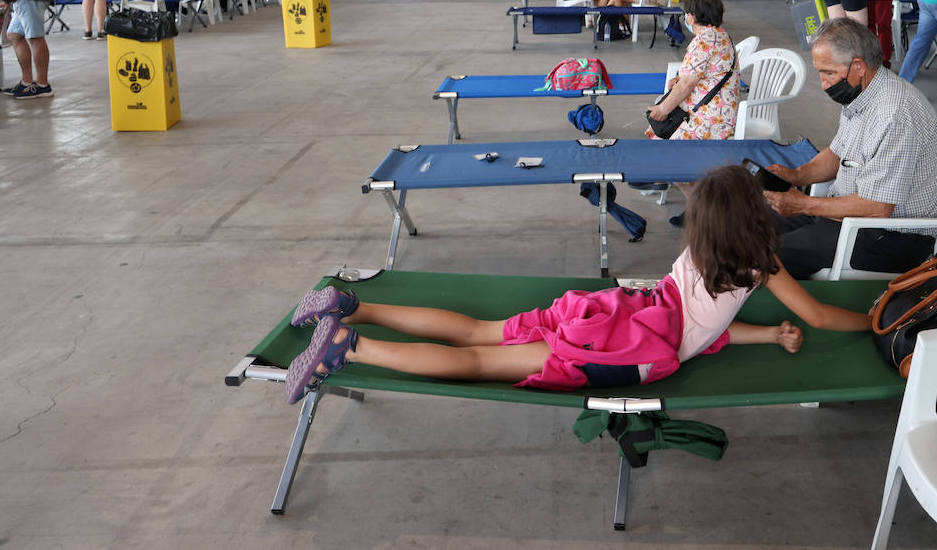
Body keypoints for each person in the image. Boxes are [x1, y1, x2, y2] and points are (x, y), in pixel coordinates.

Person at [281, 164, 868, 404]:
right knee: (483, 363)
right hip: (629, 345)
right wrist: (868, 320)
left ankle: (352, 306)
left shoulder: (705, 248)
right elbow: (818, 316)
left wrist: (766, 339)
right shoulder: (762, 260)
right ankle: (348, 346)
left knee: (480, 332)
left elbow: (702, 322)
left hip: (618, 310)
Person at [761, 19, 937, 279]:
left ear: (858, 66)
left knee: (764, 255)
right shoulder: (862, 94)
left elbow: (878, 208)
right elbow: (838, 153)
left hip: (892, 238)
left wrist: (804, 204)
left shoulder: (895, 114)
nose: (823, 84)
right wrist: (797, 176)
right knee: (749, 226)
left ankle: (801, 316)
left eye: (828, 73)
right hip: (848, 218)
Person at [646, 0, 739, 142]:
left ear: (692, 17)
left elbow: (687, 84)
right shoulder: (720, 34)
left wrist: (663, 109)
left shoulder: (703, 42)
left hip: (710, 118)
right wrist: (680, 78)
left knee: (661, 131)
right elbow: (702, 72)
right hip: (719, 108)